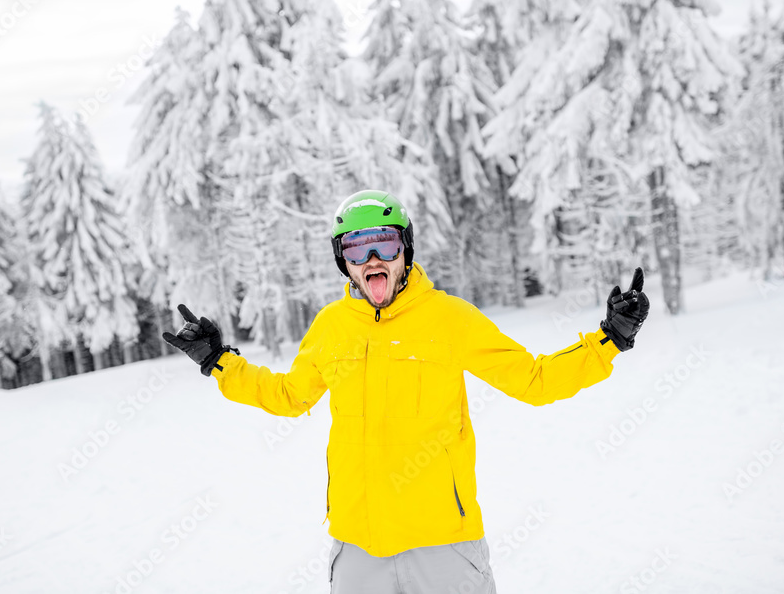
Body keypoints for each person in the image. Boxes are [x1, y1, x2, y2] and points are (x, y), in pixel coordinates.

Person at [163, 189, 650, 594]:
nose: (372, 260)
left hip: (444, 545)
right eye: (357, 250)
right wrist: (217, 361)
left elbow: (535, 380)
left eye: (384, 246)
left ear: (405, 250)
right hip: (357, 550)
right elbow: (288, 395)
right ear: (343, 261)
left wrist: (610, 338)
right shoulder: (332, 327)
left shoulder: (448, 318)